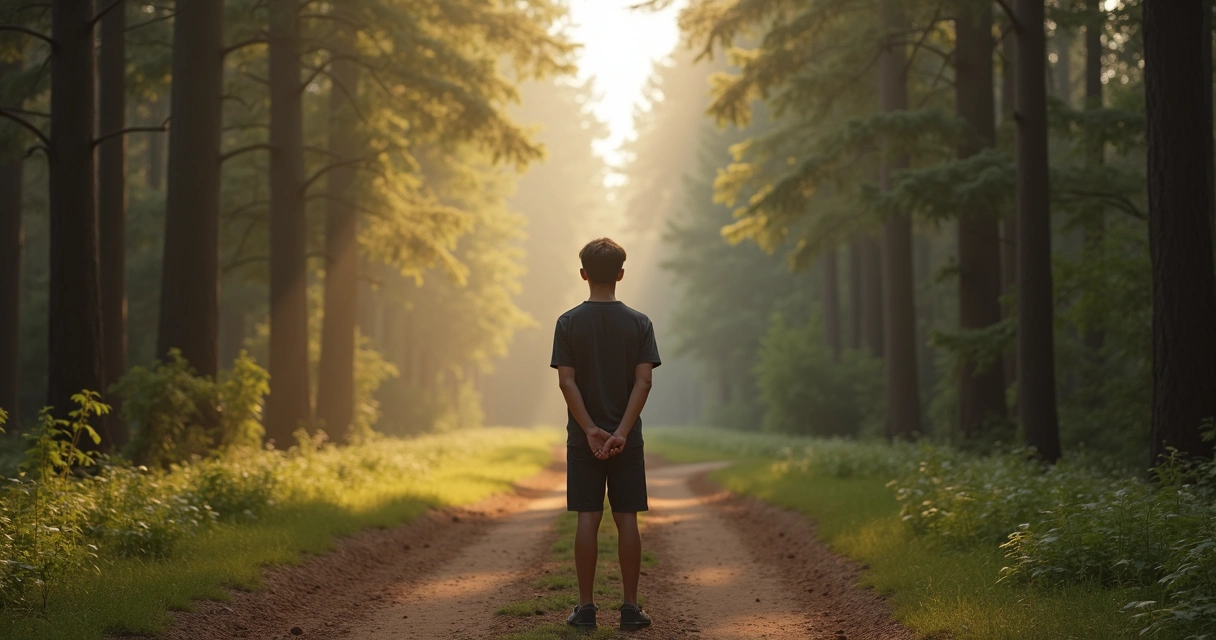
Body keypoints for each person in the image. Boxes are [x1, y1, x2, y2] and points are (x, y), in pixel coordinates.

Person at [551, 237, 660, 631]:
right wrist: (621, 432)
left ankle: (586, 609)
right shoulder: (639, 322)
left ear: (583, 275)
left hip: (584, 441)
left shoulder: (567, 322)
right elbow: (643, 383)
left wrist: (591, 430)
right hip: (627, 440)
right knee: (626, 517)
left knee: (588, 517)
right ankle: (630, 608)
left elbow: (567, 383)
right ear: (621, 274)